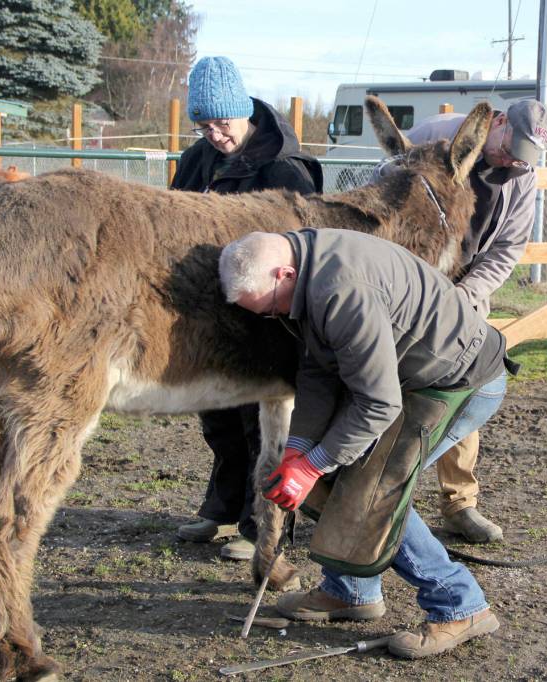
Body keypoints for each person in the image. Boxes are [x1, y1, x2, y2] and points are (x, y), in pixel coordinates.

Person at [218, 228, 510, 658]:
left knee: (370, 495)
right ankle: (351, 591)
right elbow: (318, 371)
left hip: (455, 383)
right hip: (405, 383)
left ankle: (460, 605)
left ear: (284, 274)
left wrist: (313, 463)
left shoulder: (342, 290)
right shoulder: (309, 272)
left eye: (271, 307)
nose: (272, 317)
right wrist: (299, 448)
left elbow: (378, 404)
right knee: (334, 479)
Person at [170, 56, 323, 562]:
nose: (214, 134)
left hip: (265, 314)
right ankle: (221, 505)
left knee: (264, 422)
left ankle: (262, 527)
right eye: (204, 125)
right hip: (210, 309)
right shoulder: (197, 160)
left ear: (244, 112)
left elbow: (301, 245)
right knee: (216, 416)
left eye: (222, 123)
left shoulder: (285, 169)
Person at [390, 98, 547, 543]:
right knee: (386, 381)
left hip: (466, 288)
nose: (513, 159)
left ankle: (459, 502)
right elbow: (382, 193)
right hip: (409, 276)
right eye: (510, 146)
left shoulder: (522, 177)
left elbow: (507, 250)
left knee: (466, 385)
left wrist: (464, 297)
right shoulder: (433, 137)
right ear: (497, 122)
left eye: (524, 155)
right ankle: (364, 494)